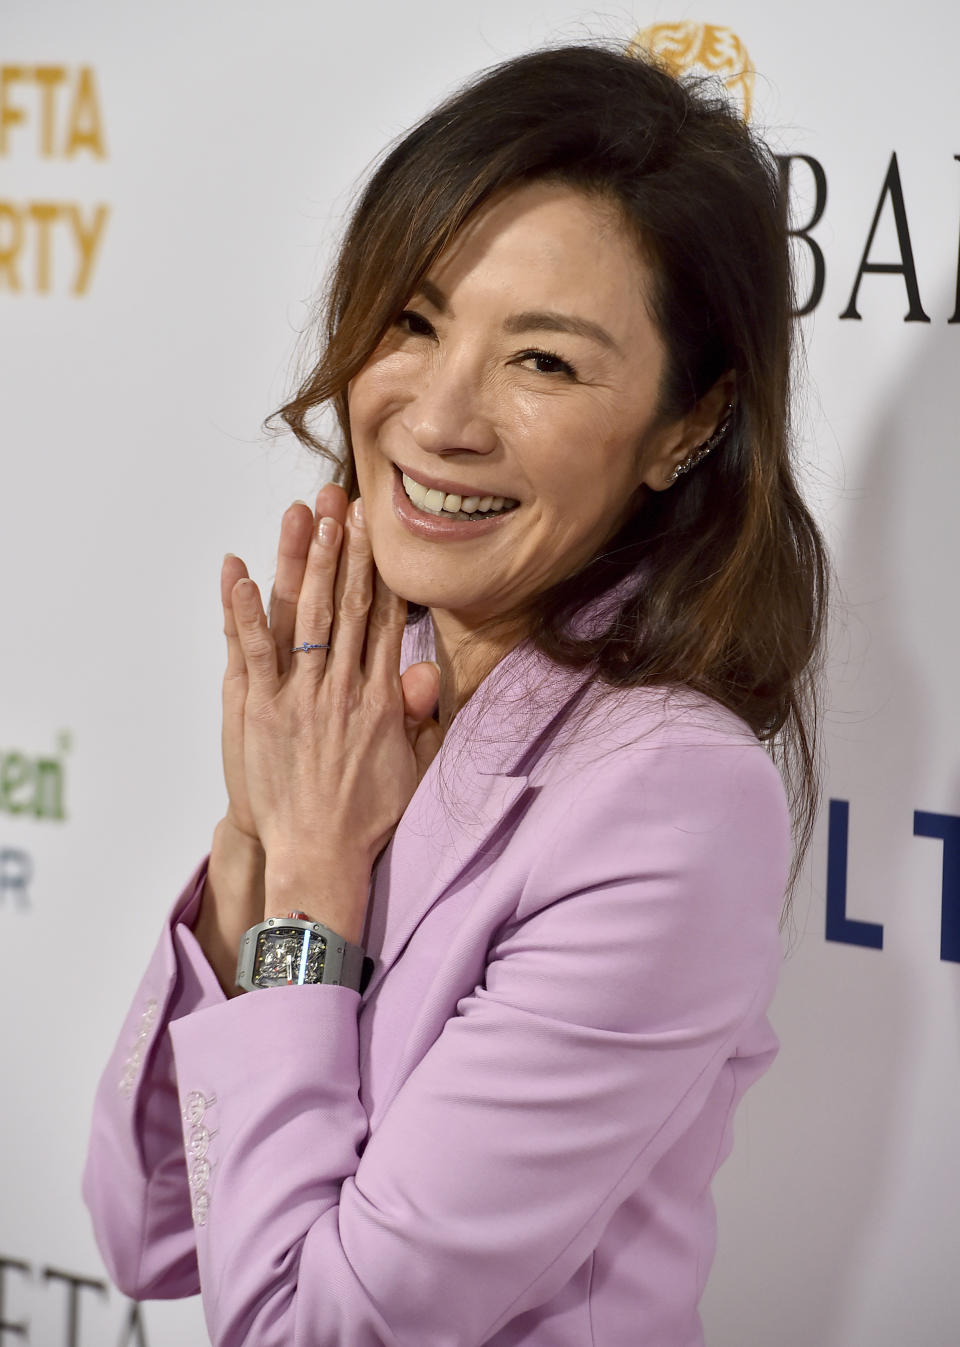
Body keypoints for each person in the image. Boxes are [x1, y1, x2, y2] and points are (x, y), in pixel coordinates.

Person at [83, 41, 826, 1347]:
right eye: (415, 323)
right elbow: (149, 1231)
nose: (437, 418)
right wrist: (253, 852)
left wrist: (313, 873)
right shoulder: (374, 700)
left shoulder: (667, 793)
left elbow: (313, 1329)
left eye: (543, 362)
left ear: (687, 426)